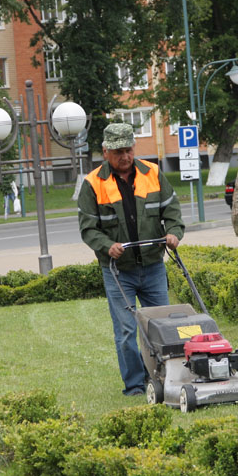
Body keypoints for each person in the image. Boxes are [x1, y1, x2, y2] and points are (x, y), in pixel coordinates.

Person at [78, 123, 185, 396]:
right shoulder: (93, 184)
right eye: (117, 152)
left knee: (163, 327)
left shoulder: (153, 174)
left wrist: (173, 233)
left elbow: (171, 210)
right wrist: (107, 246)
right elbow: (89, 229)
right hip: (118, 272)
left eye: (128, 150)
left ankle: (165, 379)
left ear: (134, 148)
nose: (124, 156)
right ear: (105, 152)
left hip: (152, 267)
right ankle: (136, 385)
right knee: (126, 332)